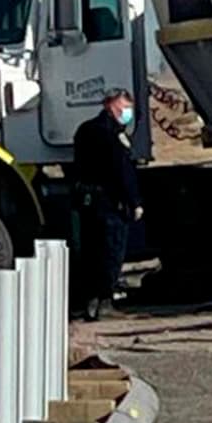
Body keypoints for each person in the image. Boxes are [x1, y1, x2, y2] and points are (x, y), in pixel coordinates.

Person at [73, 88, 143, 321]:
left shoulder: (84, 130)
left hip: (88, 200)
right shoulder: (110, 135)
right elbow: (122, 172)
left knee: (91, 252)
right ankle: (104, 302)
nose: (128, 114)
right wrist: (134, 202)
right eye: (125, 108)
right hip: (110, 202)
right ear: (113, 106)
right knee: (110, 252)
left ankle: (90, 303)